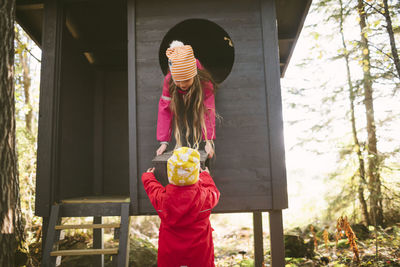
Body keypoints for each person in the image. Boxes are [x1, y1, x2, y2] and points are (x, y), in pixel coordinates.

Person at [142, 147, 220, 267]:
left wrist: (148, 176)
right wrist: (205, 176)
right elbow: (214, 191)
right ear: (195, 175)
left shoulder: (163, 199)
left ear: (170, 174)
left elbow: (152, 189)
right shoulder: (205, 198)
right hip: (199, 256)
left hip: (171, 256)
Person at [156, 41, 216, 158]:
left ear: (194, 75)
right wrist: (163, 142)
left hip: (197, 97)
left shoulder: (204, 82)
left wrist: (208, 141)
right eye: (178, 81)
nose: (182, 84)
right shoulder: (169, 81)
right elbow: (165, 110)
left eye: (186, 80)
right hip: (179, 101)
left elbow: (208, 109)